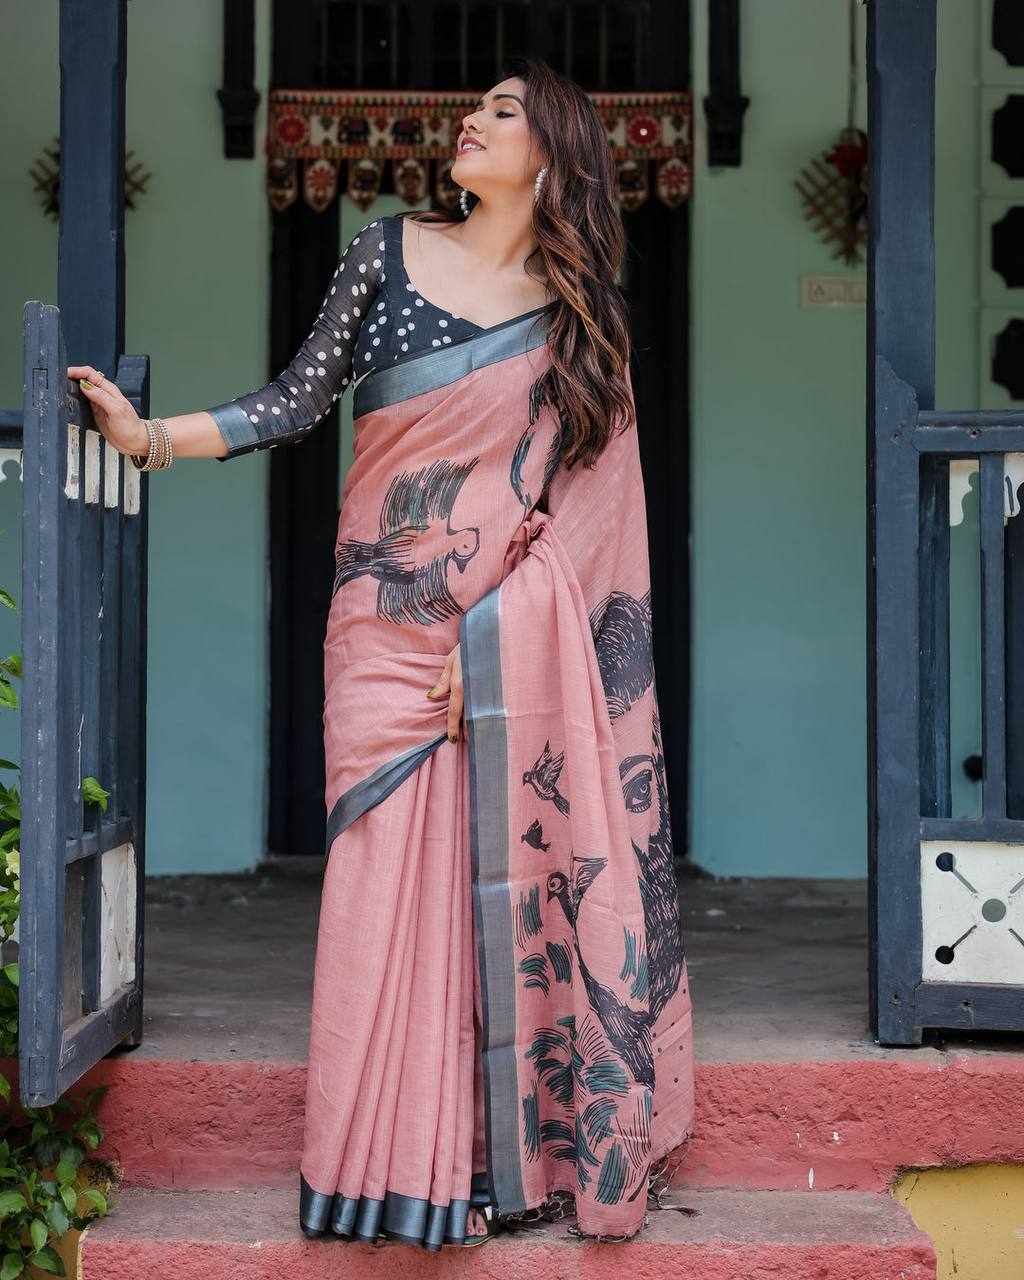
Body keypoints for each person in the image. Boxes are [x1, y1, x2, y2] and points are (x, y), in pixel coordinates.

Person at [69, 55, 695, 1250]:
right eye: (476, 105)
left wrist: (494, 636)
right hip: (380, 628)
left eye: (502, 111)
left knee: (489, 878)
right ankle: (375, 1167)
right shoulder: (384, 252)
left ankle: (482, 1165)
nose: (471, 119)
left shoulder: (581, 322)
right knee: (378, 871)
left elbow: (588, 517)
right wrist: (147, 436)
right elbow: (295, 402)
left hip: (494, 633)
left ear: (553, 153)